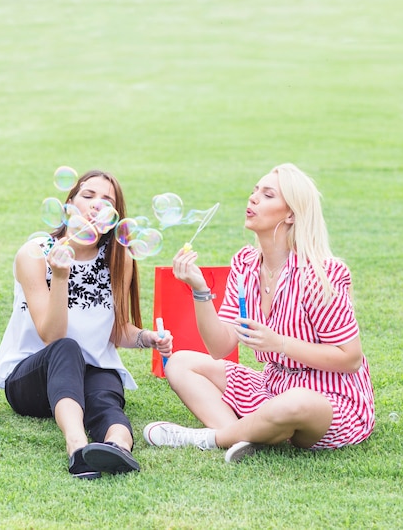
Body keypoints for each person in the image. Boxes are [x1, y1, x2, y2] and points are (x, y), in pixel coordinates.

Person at [143, 163, 375, 462]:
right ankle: (244, 438)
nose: (252, 199)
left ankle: (210, 438)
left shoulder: (321, 274)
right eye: (254, 191)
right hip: (272, 386)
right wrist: (200, 290)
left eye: (267, 195)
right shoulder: (245, 263)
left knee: (294, 403)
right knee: (180, 363)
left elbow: (350, 359)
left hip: (330, 399)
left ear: (291, 214)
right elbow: (219, 346)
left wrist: (278, 343)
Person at [0, 169, 172, 479]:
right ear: (69, 204)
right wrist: (60, 276)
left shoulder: (119, 258)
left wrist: (147, 337)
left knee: (105, 397)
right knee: (67, 348)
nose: (95, 205)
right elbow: (52, 335)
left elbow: (115, 330)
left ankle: (118, 449)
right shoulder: (35, 254)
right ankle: (78, 448)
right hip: (31, 377)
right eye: (88, 196)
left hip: (90, 370)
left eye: (107, 201)